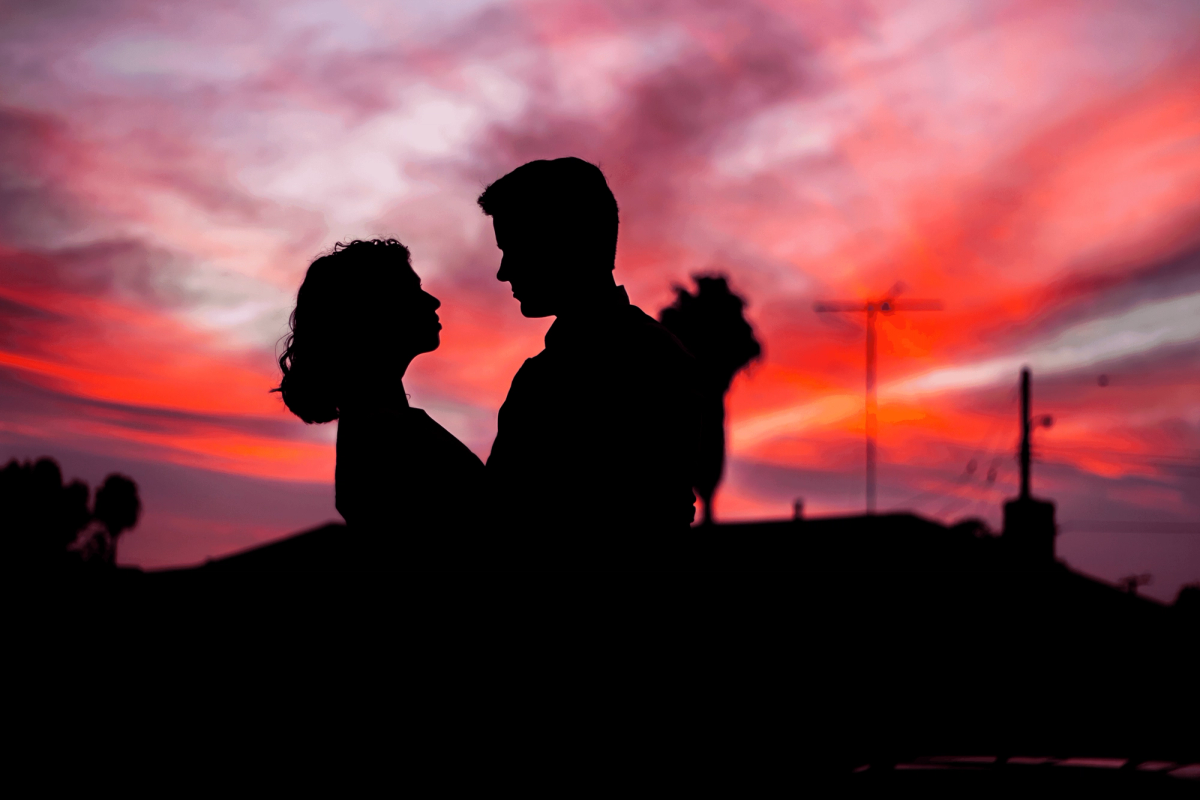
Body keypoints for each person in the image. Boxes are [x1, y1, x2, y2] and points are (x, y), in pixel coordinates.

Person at [479, 158, 701, 551]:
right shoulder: (656, 354)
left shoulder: (632, 362)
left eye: (514, 248)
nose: (503, 271)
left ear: (565, 244)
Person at [275, 238, 484, 564]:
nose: (433, 301)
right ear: (372, 312)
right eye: (412, 290)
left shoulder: (381, 428)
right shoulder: (385, 437)